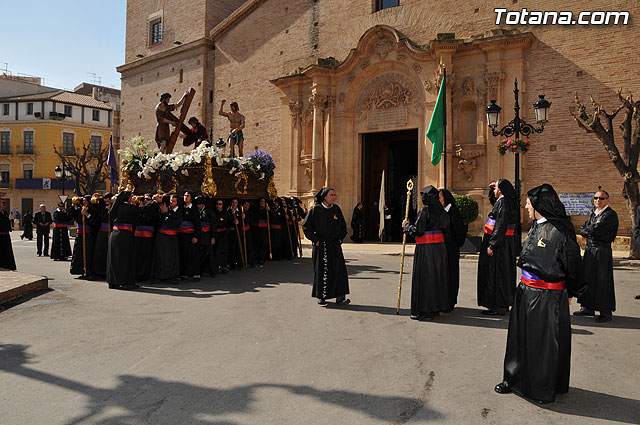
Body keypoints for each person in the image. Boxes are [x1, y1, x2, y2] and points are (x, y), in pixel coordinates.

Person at [495, 183, 586, 404]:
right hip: (525, 292)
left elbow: (574, 266)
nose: (526, 205)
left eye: (529, 202)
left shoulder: (562, 232)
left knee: (543, 345)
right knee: (519, 339)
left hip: (547, 297)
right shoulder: (536, 225)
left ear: (539, 206)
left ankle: (541, 388)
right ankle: (514, 380)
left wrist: (573, 290)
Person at [402, 186, 449, 320]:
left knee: (426, 279)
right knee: (436, 277)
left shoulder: (425, 211)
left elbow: (419, 230)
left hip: (426, 249)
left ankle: (426, 310)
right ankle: (435, 308)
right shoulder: (442, 211)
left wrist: (406, 226)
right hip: (439, 248)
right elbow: (446, 229)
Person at [575, 190, 618, 322]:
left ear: (607, 200)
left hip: (602, 251)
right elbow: (584, 228)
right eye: (596, 198)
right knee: (588, 278)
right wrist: (589, 230)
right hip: (590, 250)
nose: (598, 200)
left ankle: (605, 311)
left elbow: (595, 230)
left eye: (602, 198)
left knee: (602, 280)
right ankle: (588, 306)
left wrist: (589, 230)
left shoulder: (610, 215)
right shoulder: (593, 214)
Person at [302, 188, 350, 306]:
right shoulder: (315, 210)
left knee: (339, 271)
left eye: (335, 195)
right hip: (321, 245)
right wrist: (315, 240)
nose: (334, 197)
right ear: (324, 197)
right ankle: (321, 296)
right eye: (331, 195)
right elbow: (306, 227)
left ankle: (340, 297)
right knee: (322, 271)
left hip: (334, 245)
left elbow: (343, 226)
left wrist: (340, 238)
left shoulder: (336, 209)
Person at [477, 179, 518, 316]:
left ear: (500, 190)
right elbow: (494, 204)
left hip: (500, 244)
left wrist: (492, 244)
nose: (494, 191)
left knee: (498, 274)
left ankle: (498, 306)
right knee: (500, 273)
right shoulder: (502, 201)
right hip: (503, 242)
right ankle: (501, 304)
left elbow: (500, 225)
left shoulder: (504, 202)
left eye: (495, 189)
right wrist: (491, 190)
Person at [440, 189, 467, 312]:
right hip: (443, 248)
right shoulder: (443, 212)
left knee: (451, 274)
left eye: (440, 197)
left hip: (451, 248)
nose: (438, 200)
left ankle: (450, 301)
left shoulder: (453, 212)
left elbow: (459, 232)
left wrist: (454, 244)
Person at [107, 191, 140, 289]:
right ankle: (125, 281)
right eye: (131, 197)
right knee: (125, 258)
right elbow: (141, 211)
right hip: (124, 235)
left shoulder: (117, 206)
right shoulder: (127, 207)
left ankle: (114, 281)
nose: (132, 199)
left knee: (116, 259)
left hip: (116, 235)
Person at [151, 194, 182, 282]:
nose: (171, 202)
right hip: (161, 237)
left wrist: (165, 213)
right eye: (171, 200)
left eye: (174, 201)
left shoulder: (179, 212)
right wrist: (162, 213)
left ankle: (171, 276)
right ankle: (160, 275)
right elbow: (158, 221)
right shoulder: (166, 208)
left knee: (170, 258)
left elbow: (173, 224)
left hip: (171, 238)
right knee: (160, 257)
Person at [70, 196, 99, 278]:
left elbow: (94, 222)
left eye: (85, 200)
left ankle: (89, 272)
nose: (83, 202)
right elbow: (70, 215)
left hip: (88, 235)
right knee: (79, 254)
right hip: (80, 235)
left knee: (88, 254)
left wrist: (87, 214)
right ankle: (82, 271)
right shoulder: (79, 209)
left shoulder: (92, 209)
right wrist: (73, 205)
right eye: (83, 200)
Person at [179, 191, 202, 281]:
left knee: (193, 255)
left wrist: (196, 236)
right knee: (184, 254)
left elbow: (198, 225)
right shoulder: (181, 208)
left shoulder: (194, 210)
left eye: (187, 196)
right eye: (184, 195)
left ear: (191, 198)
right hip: (182, 235)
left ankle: (196, 274)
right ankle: (184, 273)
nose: (185, 197)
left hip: (191, 235)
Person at [134, 194, 158, 282]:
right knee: (137, 256)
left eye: (147, 199)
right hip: (137, 237)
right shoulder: (139, 209)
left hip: (148, 237)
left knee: (147, 257)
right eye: (143, 199)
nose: (145, 201)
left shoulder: (152, 209)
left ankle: (146, 275)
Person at [91, 194, 113, 278]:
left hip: (110, 232)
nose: (106, 203)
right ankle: (98, 271)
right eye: (105, 202)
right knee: (100, 252)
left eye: (108, 201)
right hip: (102, 232)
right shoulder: (102, 207)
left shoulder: (115, 207)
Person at [195, 196, 217, 277]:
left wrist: (213, 237)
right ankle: (199, 271)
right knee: (199, 254)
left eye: (200, 204)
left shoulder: (209, 211)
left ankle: (212, 272)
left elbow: (213, 225)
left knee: (209, 254)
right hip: (199, 235)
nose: (199, 206)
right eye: (197, 204)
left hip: (208, 235)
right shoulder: (195, 211)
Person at [213, 199, 231, 274]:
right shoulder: (213, 213)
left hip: (223, 234)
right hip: (216, 234)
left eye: (220, 204)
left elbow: (229, 221)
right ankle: (216, 266)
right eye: (217, 204)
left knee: (224, 250)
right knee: (216, 250)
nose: (218, 205)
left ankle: (224, 266)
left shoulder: (225, 213)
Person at [253, 198, 271, 264]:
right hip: (257, 229)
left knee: (263, 244)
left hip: (264, 229)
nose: (262, 203)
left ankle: (262, 258)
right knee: (257, 243)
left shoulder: (267, 210)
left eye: (263, 201)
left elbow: (272, 217)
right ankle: (257, 257)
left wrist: (269, 211)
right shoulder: (256, 209)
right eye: (261, 201)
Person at [0, 197, 16, 270]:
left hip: (5, 235)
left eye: (4, 203)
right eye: (2, 203)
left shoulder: (5, 212)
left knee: (7, 252)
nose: (4, 204)